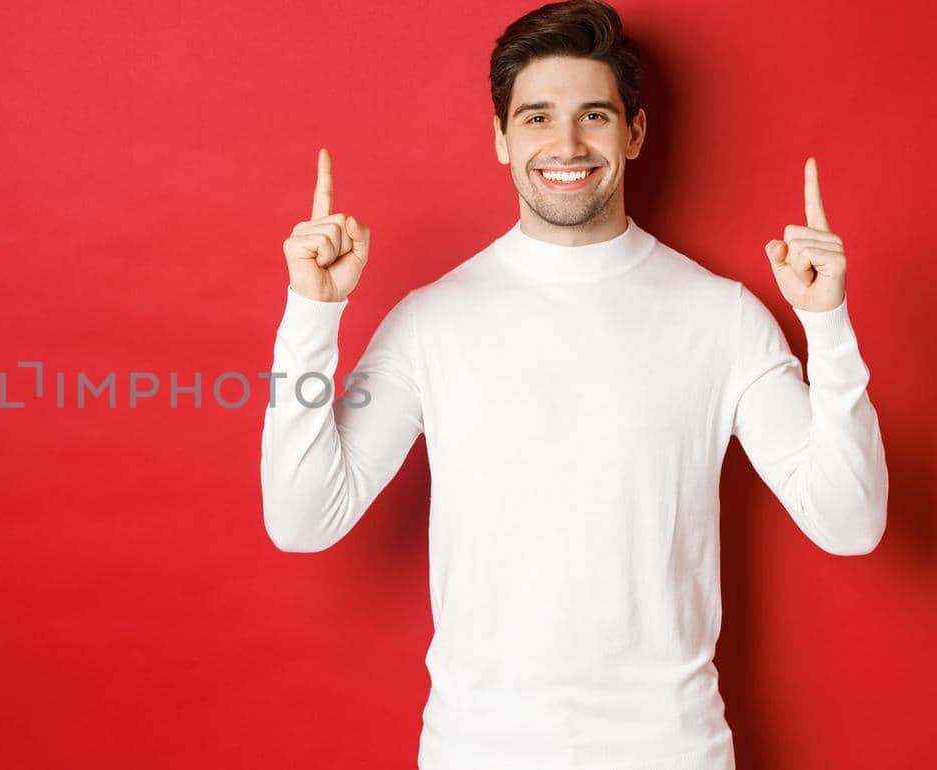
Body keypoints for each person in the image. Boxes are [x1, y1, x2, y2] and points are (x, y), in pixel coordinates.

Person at [258, 0, 889, 767]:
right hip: (476, 749)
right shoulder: (430, 323)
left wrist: (827, 326)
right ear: (500, 138)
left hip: (672, 750)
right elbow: (302, 519)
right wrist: (310, 318)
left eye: (593, 115)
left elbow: (851, 525)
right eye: (535, 118)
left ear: (634, 132)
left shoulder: (721, 317)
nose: (565, 143)